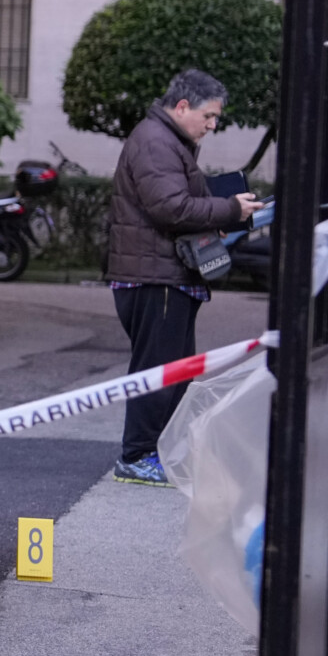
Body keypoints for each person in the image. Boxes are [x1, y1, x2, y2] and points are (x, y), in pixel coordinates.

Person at [106, 69, 263, 483]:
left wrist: (217, 215)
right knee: (158, 372)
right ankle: (136, 456)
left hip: (163, 274)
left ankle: (157, 453)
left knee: (173, 372)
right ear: (181, 107)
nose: (212, 125)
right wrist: (230, 209)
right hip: (155, 277)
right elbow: (171, 209)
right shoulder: (156, 142)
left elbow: (176, 206)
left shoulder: (165, 139)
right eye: (208, 116)